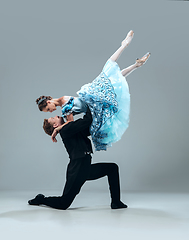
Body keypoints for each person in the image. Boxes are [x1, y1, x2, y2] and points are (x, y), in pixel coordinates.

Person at [36, 30, 150, 151]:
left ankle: (135, 63)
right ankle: (125, 48)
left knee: (110, 79)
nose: (51, 112)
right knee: (107, 74)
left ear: (49, 102)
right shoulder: (64, 107)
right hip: (93, 104)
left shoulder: (64, 106)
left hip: (92, 98)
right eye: (48, 112)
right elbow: (71, 125)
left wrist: (58, 128)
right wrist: (58, 129)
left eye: (48, 109)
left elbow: (69, 124)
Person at [28, 108, 127, 210]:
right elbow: (87, 120)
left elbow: (88, 127)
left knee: (112, 168)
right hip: (77, 170)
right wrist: (89, 104)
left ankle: (116, 202)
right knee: (63, 204)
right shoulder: (66, 130)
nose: (56, 116)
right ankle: (41, 199)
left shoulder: (70, 129)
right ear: (55, 125)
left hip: (84, 167)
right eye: (53, 118)